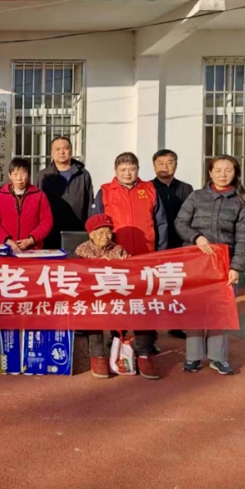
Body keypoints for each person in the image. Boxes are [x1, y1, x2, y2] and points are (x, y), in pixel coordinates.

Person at [175, 155, 245, 376]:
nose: (223, 174)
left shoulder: (242, 201)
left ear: (235, 174)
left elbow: (244, 238)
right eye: (218, 170)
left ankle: (218, 358)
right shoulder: (196, 196)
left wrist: (236, 267)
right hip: (196, 262)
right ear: (210, 173)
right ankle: (193, 356)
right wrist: (196, 237)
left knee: (220, 311)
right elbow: (180, 222)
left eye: (228, 170)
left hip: (224, 264)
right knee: (196, 310)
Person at [92, 151, 167, 379]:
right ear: (116, 171)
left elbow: (161, 223)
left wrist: (160, 254)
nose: (127, 173)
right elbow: (96, 226)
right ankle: (116, 345)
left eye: (131, 169)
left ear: (138, 170)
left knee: (142, 305)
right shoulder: (105, 191)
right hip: (115, 259)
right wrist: (102, 253)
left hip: (145, 257)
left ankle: (144, 352)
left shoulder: (150, 189)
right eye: (123, 170)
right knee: (115, 302)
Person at [75, 214, 129, 379]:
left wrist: (126, 262)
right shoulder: (82, 249)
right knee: (95, 313)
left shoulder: (118, 249)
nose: (105, 236)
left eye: (108, 232)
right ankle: (97, 354)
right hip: (91, 295)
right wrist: (98, 262)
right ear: (91, 234)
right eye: (100, 233)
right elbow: (78, 273)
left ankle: (120, 347)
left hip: (114, 294)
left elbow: (130, 272)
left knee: (130, 307)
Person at [36, 137, 95, 249]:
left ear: (71, 151)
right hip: (50, 231)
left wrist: (90, 229)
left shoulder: (83, 174)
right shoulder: (43, 176)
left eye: (65, 148)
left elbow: (89, 204)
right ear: (51, 153)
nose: (61, 152)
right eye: (57, 149)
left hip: (77, 230)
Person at [0, 158, 54, 253]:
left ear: (29, 174)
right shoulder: (0, 195)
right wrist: (6, 240)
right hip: (5, 249)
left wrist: (32, 239)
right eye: (15, 174)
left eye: (23, 174)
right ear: (10, 175)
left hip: (33, 249)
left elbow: (47, 221)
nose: (19, 178)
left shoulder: (39, 195)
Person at [151, 149, 194, 251]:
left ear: (176, 165)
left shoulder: (186, 188)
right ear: (154, 166)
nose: (165, 167)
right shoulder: (148, 188)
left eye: (169, 163)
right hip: (156, 241)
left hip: (180, 240)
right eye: (160, 163)